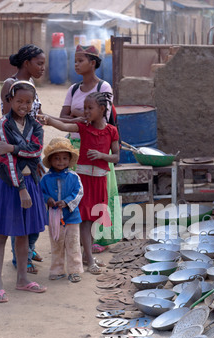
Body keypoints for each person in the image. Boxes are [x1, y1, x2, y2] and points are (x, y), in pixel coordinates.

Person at [38, 91, 120, 275]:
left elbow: (116, 157)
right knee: (84, 218)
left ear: (101, 109)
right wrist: (49, 121)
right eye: (84, 108)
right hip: (83, 180)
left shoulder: (111, 131)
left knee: (93, 219)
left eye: (90, 108)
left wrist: (101, 156)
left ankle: (86, 255)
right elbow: (64, 124)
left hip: (100, 179)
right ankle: (89, 258)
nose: (86, 111)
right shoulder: (83, 127)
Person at [59, 44, 122, 254]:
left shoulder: (103, 88)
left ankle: (99, 239)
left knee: (100, 194)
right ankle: (78, 239)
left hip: (98, 147)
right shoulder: (73, 89)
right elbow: (63, 117)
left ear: (93, 63)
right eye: (75, 61)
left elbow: (102, 118)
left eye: (80, 60)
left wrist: (78, 115)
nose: (76, 64)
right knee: (78, 195)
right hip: (75, 148)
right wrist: (80, 116)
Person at [0, 80, 47, 302]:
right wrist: (22, 189)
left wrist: (15, 148)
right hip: (9, 185)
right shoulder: (2, 125)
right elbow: (5, 160)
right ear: (9, 100)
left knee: (23, 234)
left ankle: (22, 279)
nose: (24, 105)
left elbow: (36, 151)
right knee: (0, 236)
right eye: (19, 101)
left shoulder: (35, 126)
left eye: (29, 101)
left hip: (30, 182)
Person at [1, 44, 46, 274]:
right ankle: (21, 256)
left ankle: (28, 249)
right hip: (16, 162)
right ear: (26, 62)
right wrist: (19, 149)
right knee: (18, 213)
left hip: (29, 157)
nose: (42, 68)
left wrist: (34, 157)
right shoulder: (11, 84)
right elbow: (12, 125)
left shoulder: (31, 86)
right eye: (39, 63)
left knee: (34, 210)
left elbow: (31, 127)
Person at [40, 137, 84, 283]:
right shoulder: (45, 178)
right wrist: (48, 199)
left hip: (71, 217)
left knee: (73, 244)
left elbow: (79, 192)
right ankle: (57, 270)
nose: (61, 161)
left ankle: (75, 270)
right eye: (57, 158)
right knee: (56, 244)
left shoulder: (74, 177)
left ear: (69, 159)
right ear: (51, 160)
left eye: (65, 158)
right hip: (54, 218)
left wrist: (66, 202)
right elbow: (41, 193)